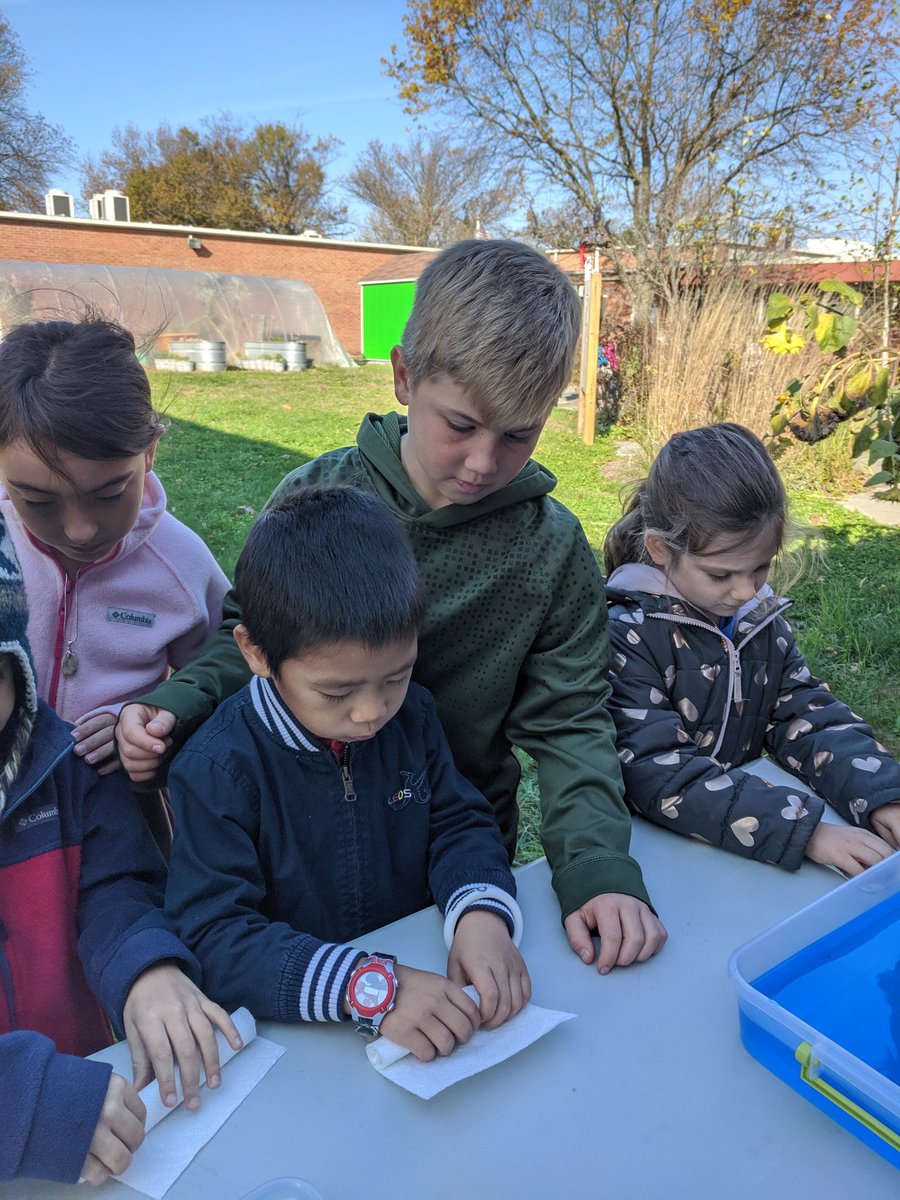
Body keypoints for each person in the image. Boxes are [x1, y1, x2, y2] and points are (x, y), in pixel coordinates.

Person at [118, 238, 668, 975]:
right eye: (461, 425)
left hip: (454, 848)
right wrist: (180, 700)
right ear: (406, 376)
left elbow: (570, 722)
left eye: (518, 434)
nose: (483, 462)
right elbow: (250, 637)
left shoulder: (553, 549)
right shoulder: (314, 497)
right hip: (301, 850)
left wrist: (596, 867)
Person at [164, 487, 530, 1060]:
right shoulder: (217, 771)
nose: (372, 712)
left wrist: (479, 910)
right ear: (255, 653)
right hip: (298, 1046)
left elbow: (458, 822)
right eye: (336, 691)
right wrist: (367, 988)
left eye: (396, 676)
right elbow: (215, 938)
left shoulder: (413, 716)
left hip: (427, 1008)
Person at [0, 516, 242, 1187]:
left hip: (88, 1111)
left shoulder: (62, 764)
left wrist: (146, 970)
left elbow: (112, 889)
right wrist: (19, 1102)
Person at [603, 422, 900, 875]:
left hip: (744, 849)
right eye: (721, 575)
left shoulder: (758, 622)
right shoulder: (629, 633)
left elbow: (807, 715)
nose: (745, 592)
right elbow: (656, 774)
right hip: (650, 858)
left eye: (760, 567)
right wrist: (807, 831)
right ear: (661, 550)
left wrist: (882, 795)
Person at [0, 319, 229, 793]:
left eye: (108, 494)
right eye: (38, 501)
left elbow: (230, 668)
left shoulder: (181, 562)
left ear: (149, 452)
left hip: (120, 829)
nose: (79, 531)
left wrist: (156, 716)